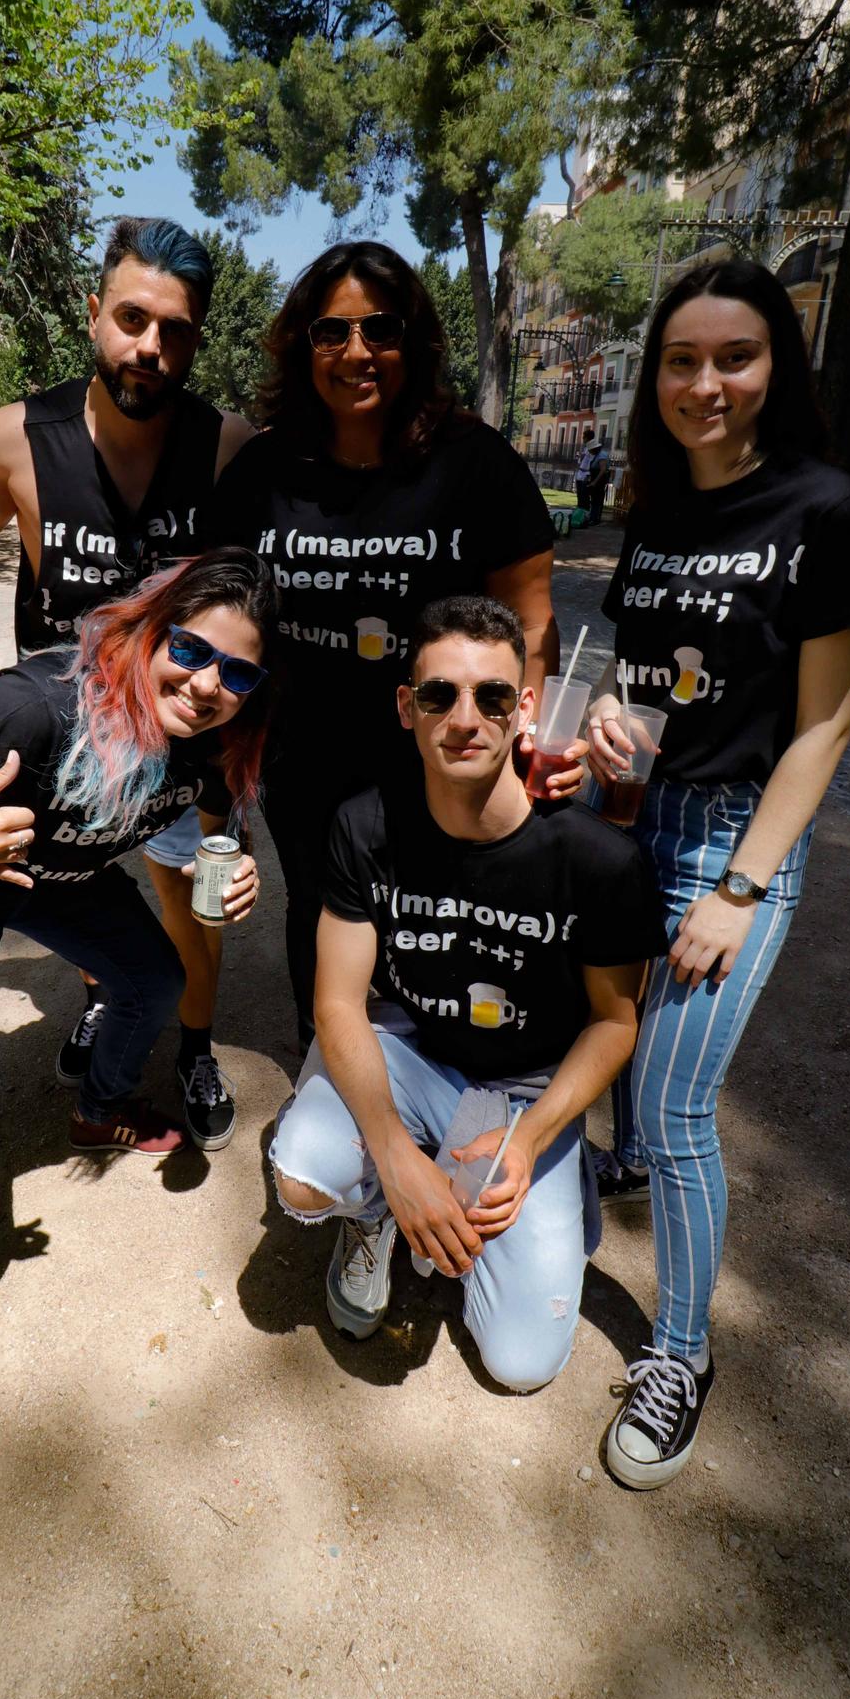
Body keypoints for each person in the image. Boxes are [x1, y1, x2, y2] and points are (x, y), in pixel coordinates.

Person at [0, 547, 272, 1445]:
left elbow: (221, 817)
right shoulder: (38, 703)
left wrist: (240, 871)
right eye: (190, 650)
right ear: (151, 630)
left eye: (237, 672)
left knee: (158, 977)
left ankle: (99, 1106)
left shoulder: (217, 738)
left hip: (49, 873)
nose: (204, 684)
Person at [584, 260, 850, 1489]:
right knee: (615, 1042)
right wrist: (610, 709)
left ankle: (680, 1352)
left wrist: (740, 887)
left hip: (730, 840)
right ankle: (623, 1171)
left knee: (672, 1108)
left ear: (777, 370)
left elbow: (824, 729)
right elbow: (637, 664)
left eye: (735, 357)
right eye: (682, 359)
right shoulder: (654, 507)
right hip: (635, 816)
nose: (705, 382)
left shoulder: (827, 507)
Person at [0, 216, 257, 1142]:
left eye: (175, 330)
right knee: (72, 885)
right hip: (61, 734)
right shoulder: (16, 437)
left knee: (186, 899)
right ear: (93, 314)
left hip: (177, 737)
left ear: (196, 338)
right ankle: (104, 1000)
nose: (149, 346)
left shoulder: (226, 447)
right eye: (131, 318)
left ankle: (194, 1045)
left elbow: (252, 593)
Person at [271, 596, 667, 1391]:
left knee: (520, 1364)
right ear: (405, 708)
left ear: (524, 708)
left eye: (491, 696)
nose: (464, 717)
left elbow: (612, 1023)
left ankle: (517, 1189)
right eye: (438, 695)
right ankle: (377, 1214)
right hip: (410, 1055)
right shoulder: (363, 825)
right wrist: (392, 1157)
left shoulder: (598, 860)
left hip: (524, 1097)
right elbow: (338, 1003)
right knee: (305, 1175)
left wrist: (526, 1143)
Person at [208, 240, 582, 1044]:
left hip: (439, 746)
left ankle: (433, 1064)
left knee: (433, 905)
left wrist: (528, 737)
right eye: (330, 333)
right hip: (299, 753)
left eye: (378, 329)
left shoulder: (476, 464)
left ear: (411, 341)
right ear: (301, 345)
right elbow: (215, 610)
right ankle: (329, 1065)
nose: (355, 353)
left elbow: (531, 622)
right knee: (316, 902)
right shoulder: (262, 470)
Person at [574, 428, 611, 525]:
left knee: (597, 500)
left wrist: (594, 482)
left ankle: (595, 519)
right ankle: (591, 517)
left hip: (599, 481)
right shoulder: (596, 454)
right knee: (593, 500)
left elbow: (603, 470)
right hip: (593, 479)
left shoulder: (601, 455)